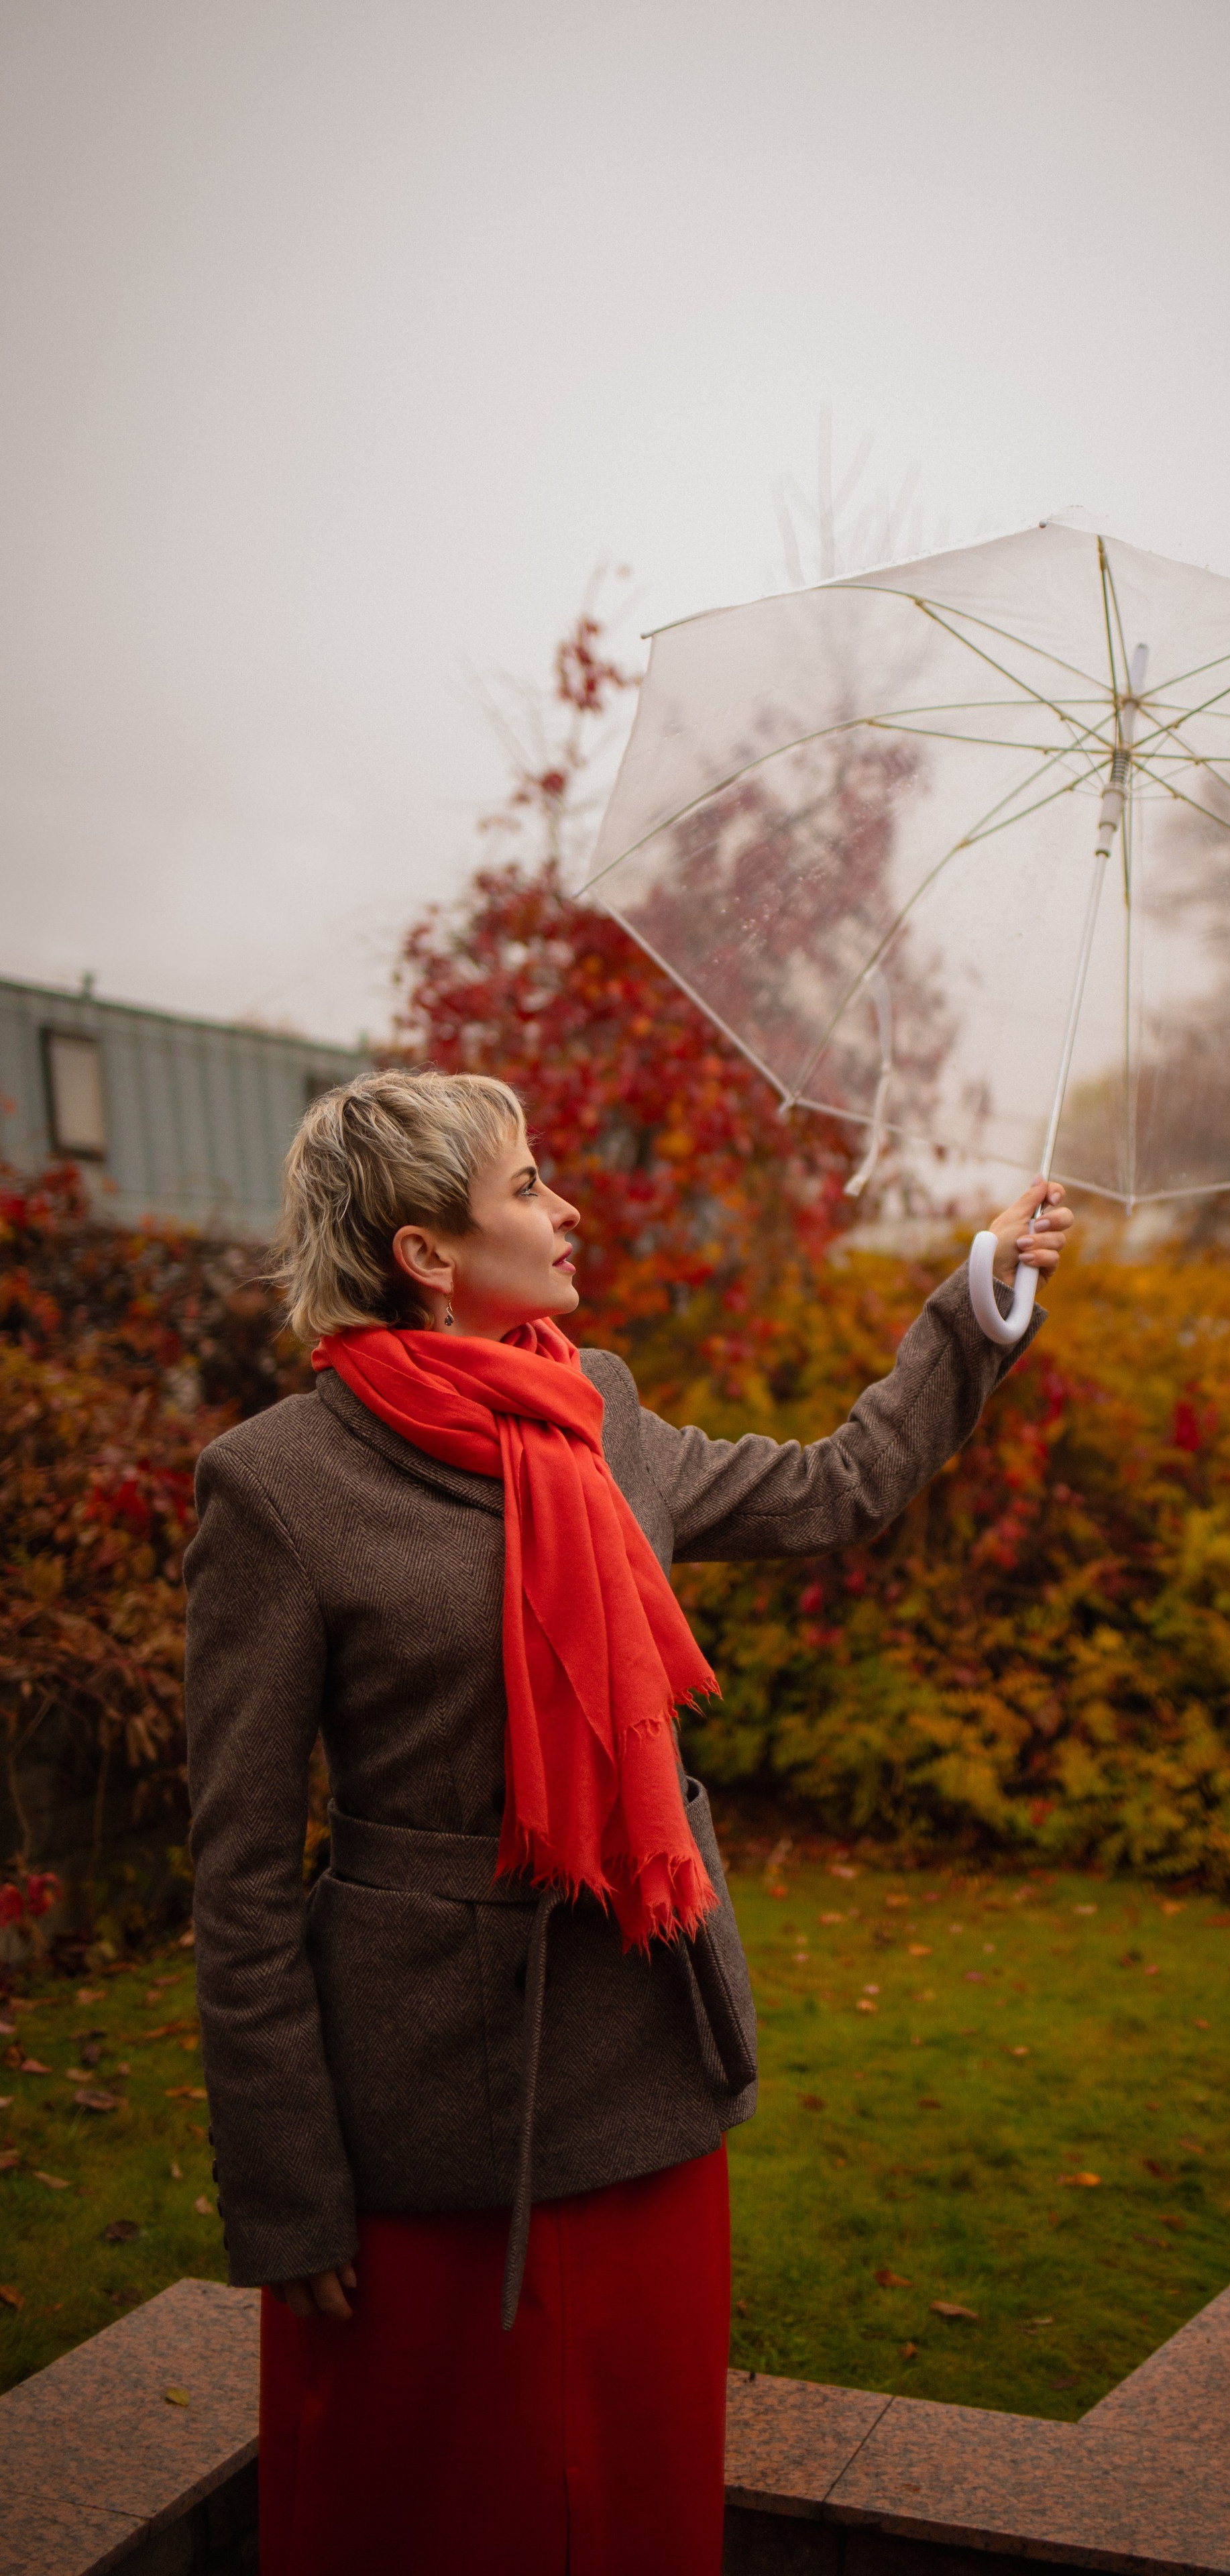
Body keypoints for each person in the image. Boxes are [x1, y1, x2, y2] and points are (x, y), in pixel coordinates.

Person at [184, 1065, 1072, 2576]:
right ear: (424, 1252)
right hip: (425, 2121)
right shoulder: (277, 1486)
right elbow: (244, 1874)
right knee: (439, 2515)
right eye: (527, 1185)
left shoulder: (596, 1407)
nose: (565, 1204)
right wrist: (286, 2185)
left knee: (640, 2499)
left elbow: (833, 1490)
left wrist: (973, 1300)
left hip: (644, 2064)